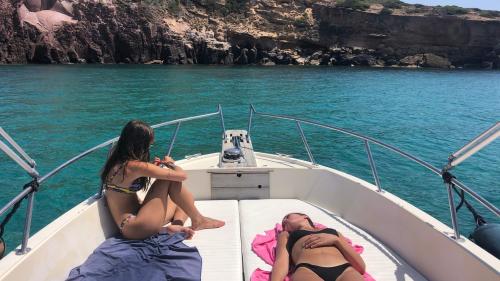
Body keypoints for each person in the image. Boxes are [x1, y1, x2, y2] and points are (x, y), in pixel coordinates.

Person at [101, 120, 224, 240]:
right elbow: (181, 176)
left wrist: (150, 168)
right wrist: (171, 164)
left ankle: (176, 226)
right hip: (136, 226)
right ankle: (199, 220)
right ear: (140, 144)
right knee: (168, 181)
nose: (149, 147)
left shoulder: (115, 162)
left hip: (131, 224)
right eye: (149, 144)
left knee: (184, 202)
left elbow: (133, 176)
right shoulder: (136, 166)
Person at [271, 213, 365, 281]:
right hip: (307, 270)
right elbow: (281, 262)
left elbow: (361, 267)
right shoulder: (285, 235)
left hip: (345, 270)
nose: (284, 220)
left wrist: (336, 240)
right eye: (283, 222)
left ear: (305, 217)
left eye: (287, 217)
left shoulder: (333, 232)